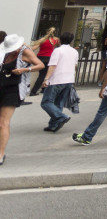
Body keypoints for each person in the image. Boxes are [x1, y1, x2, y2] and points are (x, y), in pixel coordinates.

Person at [1, 32, 44, 163]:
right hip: (1, 86)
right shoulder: (5, 51)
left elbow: (41, 65)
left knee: (3, 123)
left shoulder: (25, 52)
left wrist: (24, 70)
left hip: (12, 90)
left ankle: (0, 154)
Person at [40, 31, 79, 132]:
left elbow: (53, 65)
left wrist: (46, 79)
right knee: (59, 103)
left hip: (57, 79)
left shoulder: (58, 51)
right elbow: (75, 66)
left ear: (60, 40)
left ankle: (61, 116)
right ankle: (53, 124)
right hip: (69, 80)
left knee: (46, 102)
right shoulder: (74, 51)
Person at [28, 28, 59, 97]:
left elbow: (32, 48)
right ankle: (34, 91)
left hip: (40, 58)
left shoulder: (42, 40)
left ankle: (43, 89)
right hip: (49, 58)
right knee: (46, 75)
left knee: (42, 74)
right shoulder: (55, 40)